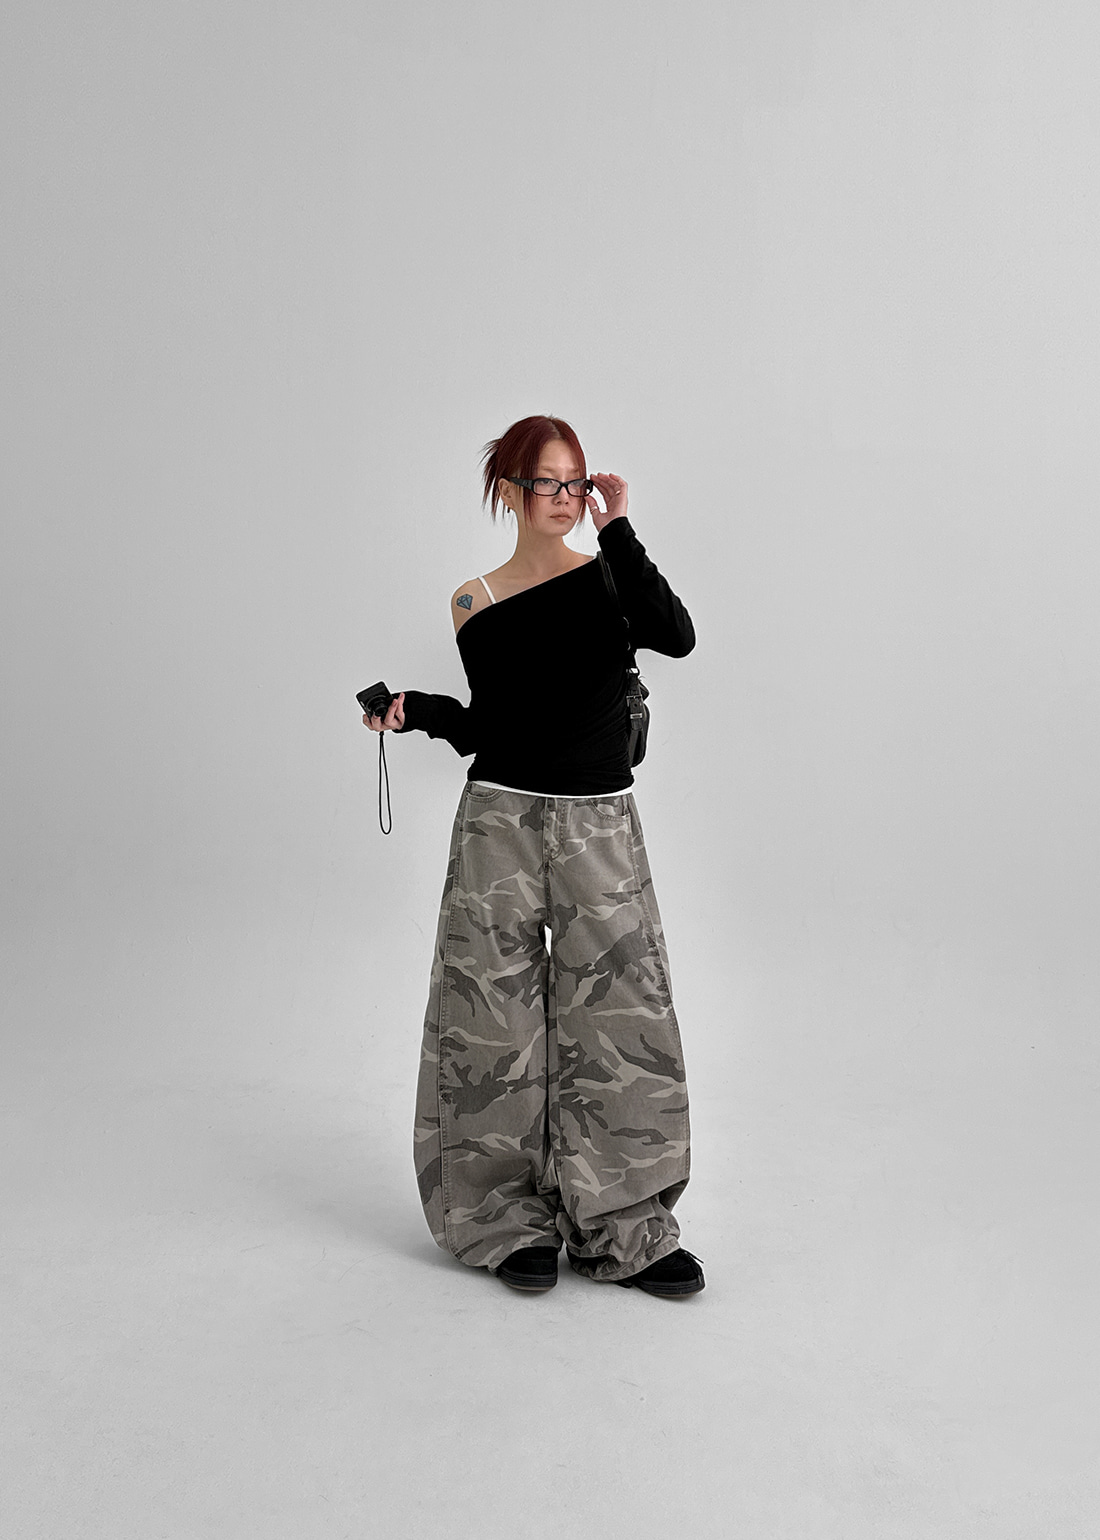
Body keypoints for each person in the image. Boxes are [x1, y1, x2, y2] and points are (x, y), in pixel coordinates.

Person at [364, 414, 704, 1299]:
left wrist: (618, 527)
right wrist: (417, 710)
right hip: (499, 822)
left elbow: (676, 635)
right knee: (490, 1019)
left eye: (574, 482)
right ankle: (498, 1218)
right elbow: (493, 724)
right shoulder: (474, 600)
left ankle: (625, 1225)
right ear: (509, 491)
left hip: (599, 823)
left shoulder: (612, 575)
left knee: (622, 1016)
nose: (562, 497)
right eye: (545, 482)